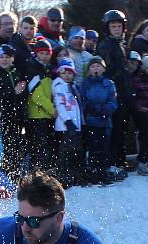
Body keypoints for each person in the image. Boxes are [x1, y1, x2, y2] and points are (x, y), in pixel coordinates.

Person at [96, 10, 129, 178]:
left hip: (124, 93)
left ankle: (120, 161)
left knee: (121, 129)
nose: (116, 29)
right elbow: (105, 71)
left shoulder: (122, 44)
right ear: (107, 28)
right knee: (113, 130)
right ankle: (111, 163)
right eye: (113, 26)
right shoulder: (105, 46)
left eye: (119, 26)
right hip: (112, 94)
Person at [0, 44, 27, 175]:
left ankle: (15, 173)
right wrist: (13, 92)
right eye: (1, 57)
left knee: (16, 146)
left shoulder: (17, 73)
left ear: (13, 58)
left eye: (7, 57)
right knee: (3, 147)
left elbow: (23, 93)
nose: (4, 59)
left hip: (17, 117)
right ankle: (4, 174)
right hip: (2, 117)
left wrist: (22, 93)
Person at [79, 56, 117, 185]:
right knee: (93, 147)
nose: (96, 68)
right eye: (93, 66)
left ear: (103, 68)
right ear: (89, 70)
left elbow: (113, 101)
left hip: (105, 121)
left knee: (104, 147)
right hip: (91, 121)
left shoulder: (109, 84)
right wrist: (90, 109)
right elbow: (82, 100)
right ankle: (93, 171)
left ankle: (103, 171)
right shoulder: (85, 84)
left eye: (98, 66)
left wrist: (105, 110)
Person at [25, 39, 56, 171]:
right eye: (41, 53)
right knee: (39, 146)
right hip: (37, 114)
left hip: (47, 114)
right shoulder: (33, 69)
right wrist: (51, 109)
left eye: (47, 53)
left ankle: (45, 171)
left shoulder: (48, 70)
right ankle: (37, 172)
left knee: (47, 145)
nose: (44, 56)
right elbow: (36, 95)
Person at [52, 57, 82, 186]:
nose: (67, 75)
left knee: (73, 152)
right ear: (60, 73)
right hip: (65, 126)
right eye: (64, 73)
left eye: (70, 73)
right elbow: (60, 105)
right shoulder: (59, 86)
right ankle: (63, 177)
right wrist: (68, 120)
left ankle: (72, 175)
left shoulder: (72, 87)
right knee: (65, 152)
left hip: (75, 125)